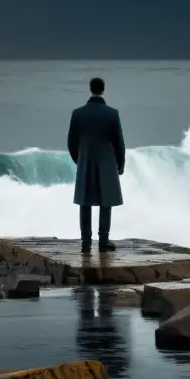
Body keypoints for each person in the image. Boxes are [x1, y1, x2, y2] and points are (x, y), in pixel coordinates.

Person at [67, 76, 126, 252]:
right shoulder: (112, 113)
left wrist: (79, 159)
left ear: (90, 89)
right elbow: (119, 142)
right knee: (105, 201)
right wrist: (120, 164)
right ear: (103, 90)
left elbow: (71, 142)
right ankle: (103, 241)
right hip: (106, 161)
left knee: (85, 201)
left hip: (85, 160)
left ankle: (85, 241)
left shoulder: (78, 113)